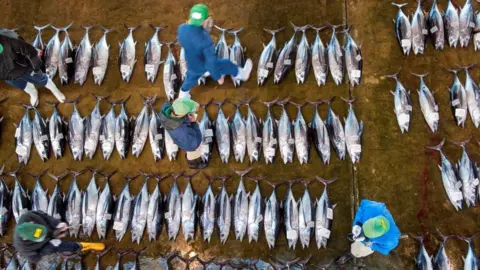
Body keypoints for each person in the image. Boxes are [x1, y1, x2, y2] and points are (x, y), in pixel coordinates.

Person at [177, 4, 253, 99]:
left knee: (189, 80)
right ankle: (243, 74)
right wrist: (218, 78)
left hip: (193, 65)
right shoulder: (205, 41)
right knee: (227, 63)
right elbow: (210, 63)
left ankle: (183, 96)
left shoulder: (182, 28)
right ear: (204, 21)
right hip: (204, 66)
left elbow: (184, 40)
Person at [0, 28, 66, 106]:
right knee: (21, 84)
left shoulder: (6, 42)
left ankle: (55, 91)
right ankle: (33, 92)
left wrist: (35, 61)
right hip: (7, 76)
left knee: (41, 78)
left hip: (23, 67)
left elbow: (26, 48)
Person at [13, 211, 105, 263]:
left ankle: (56, 234)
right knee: (62, 245)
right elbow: (34, 258)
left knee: (59, 232)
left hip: (50, 227)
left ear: (31, 223)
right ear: (26, 239)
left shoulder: (28, 216)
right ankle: (81, 246)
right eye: (39, 236)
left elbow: (44, 215)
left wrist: (57, 224)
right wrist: (49, 248)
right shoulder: (23, 247)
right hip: (47, 245)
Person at [336, 200, 401, 264]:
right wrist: (357, 224)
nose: (362, 233)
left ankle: (353, 254)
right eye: (364, 228)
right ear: (370, 219)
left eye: (365, 234)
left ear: (377, 236)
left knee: (358, 250)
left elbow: (384, 250)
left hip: (370, 242)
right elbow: (363, 205)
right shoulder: (373, 207)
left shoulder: (391, 240)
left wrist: (367, 242)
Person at [159, 98, 206, 169]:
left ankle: (193, 163)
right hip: (185, 140)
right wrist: (193, 122)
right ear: (183, 114)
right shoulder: (184, 134)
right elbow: (195, 142)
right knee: (192, 151)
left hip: (173, 129)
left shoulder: (165, 107)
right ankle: (194, 164)